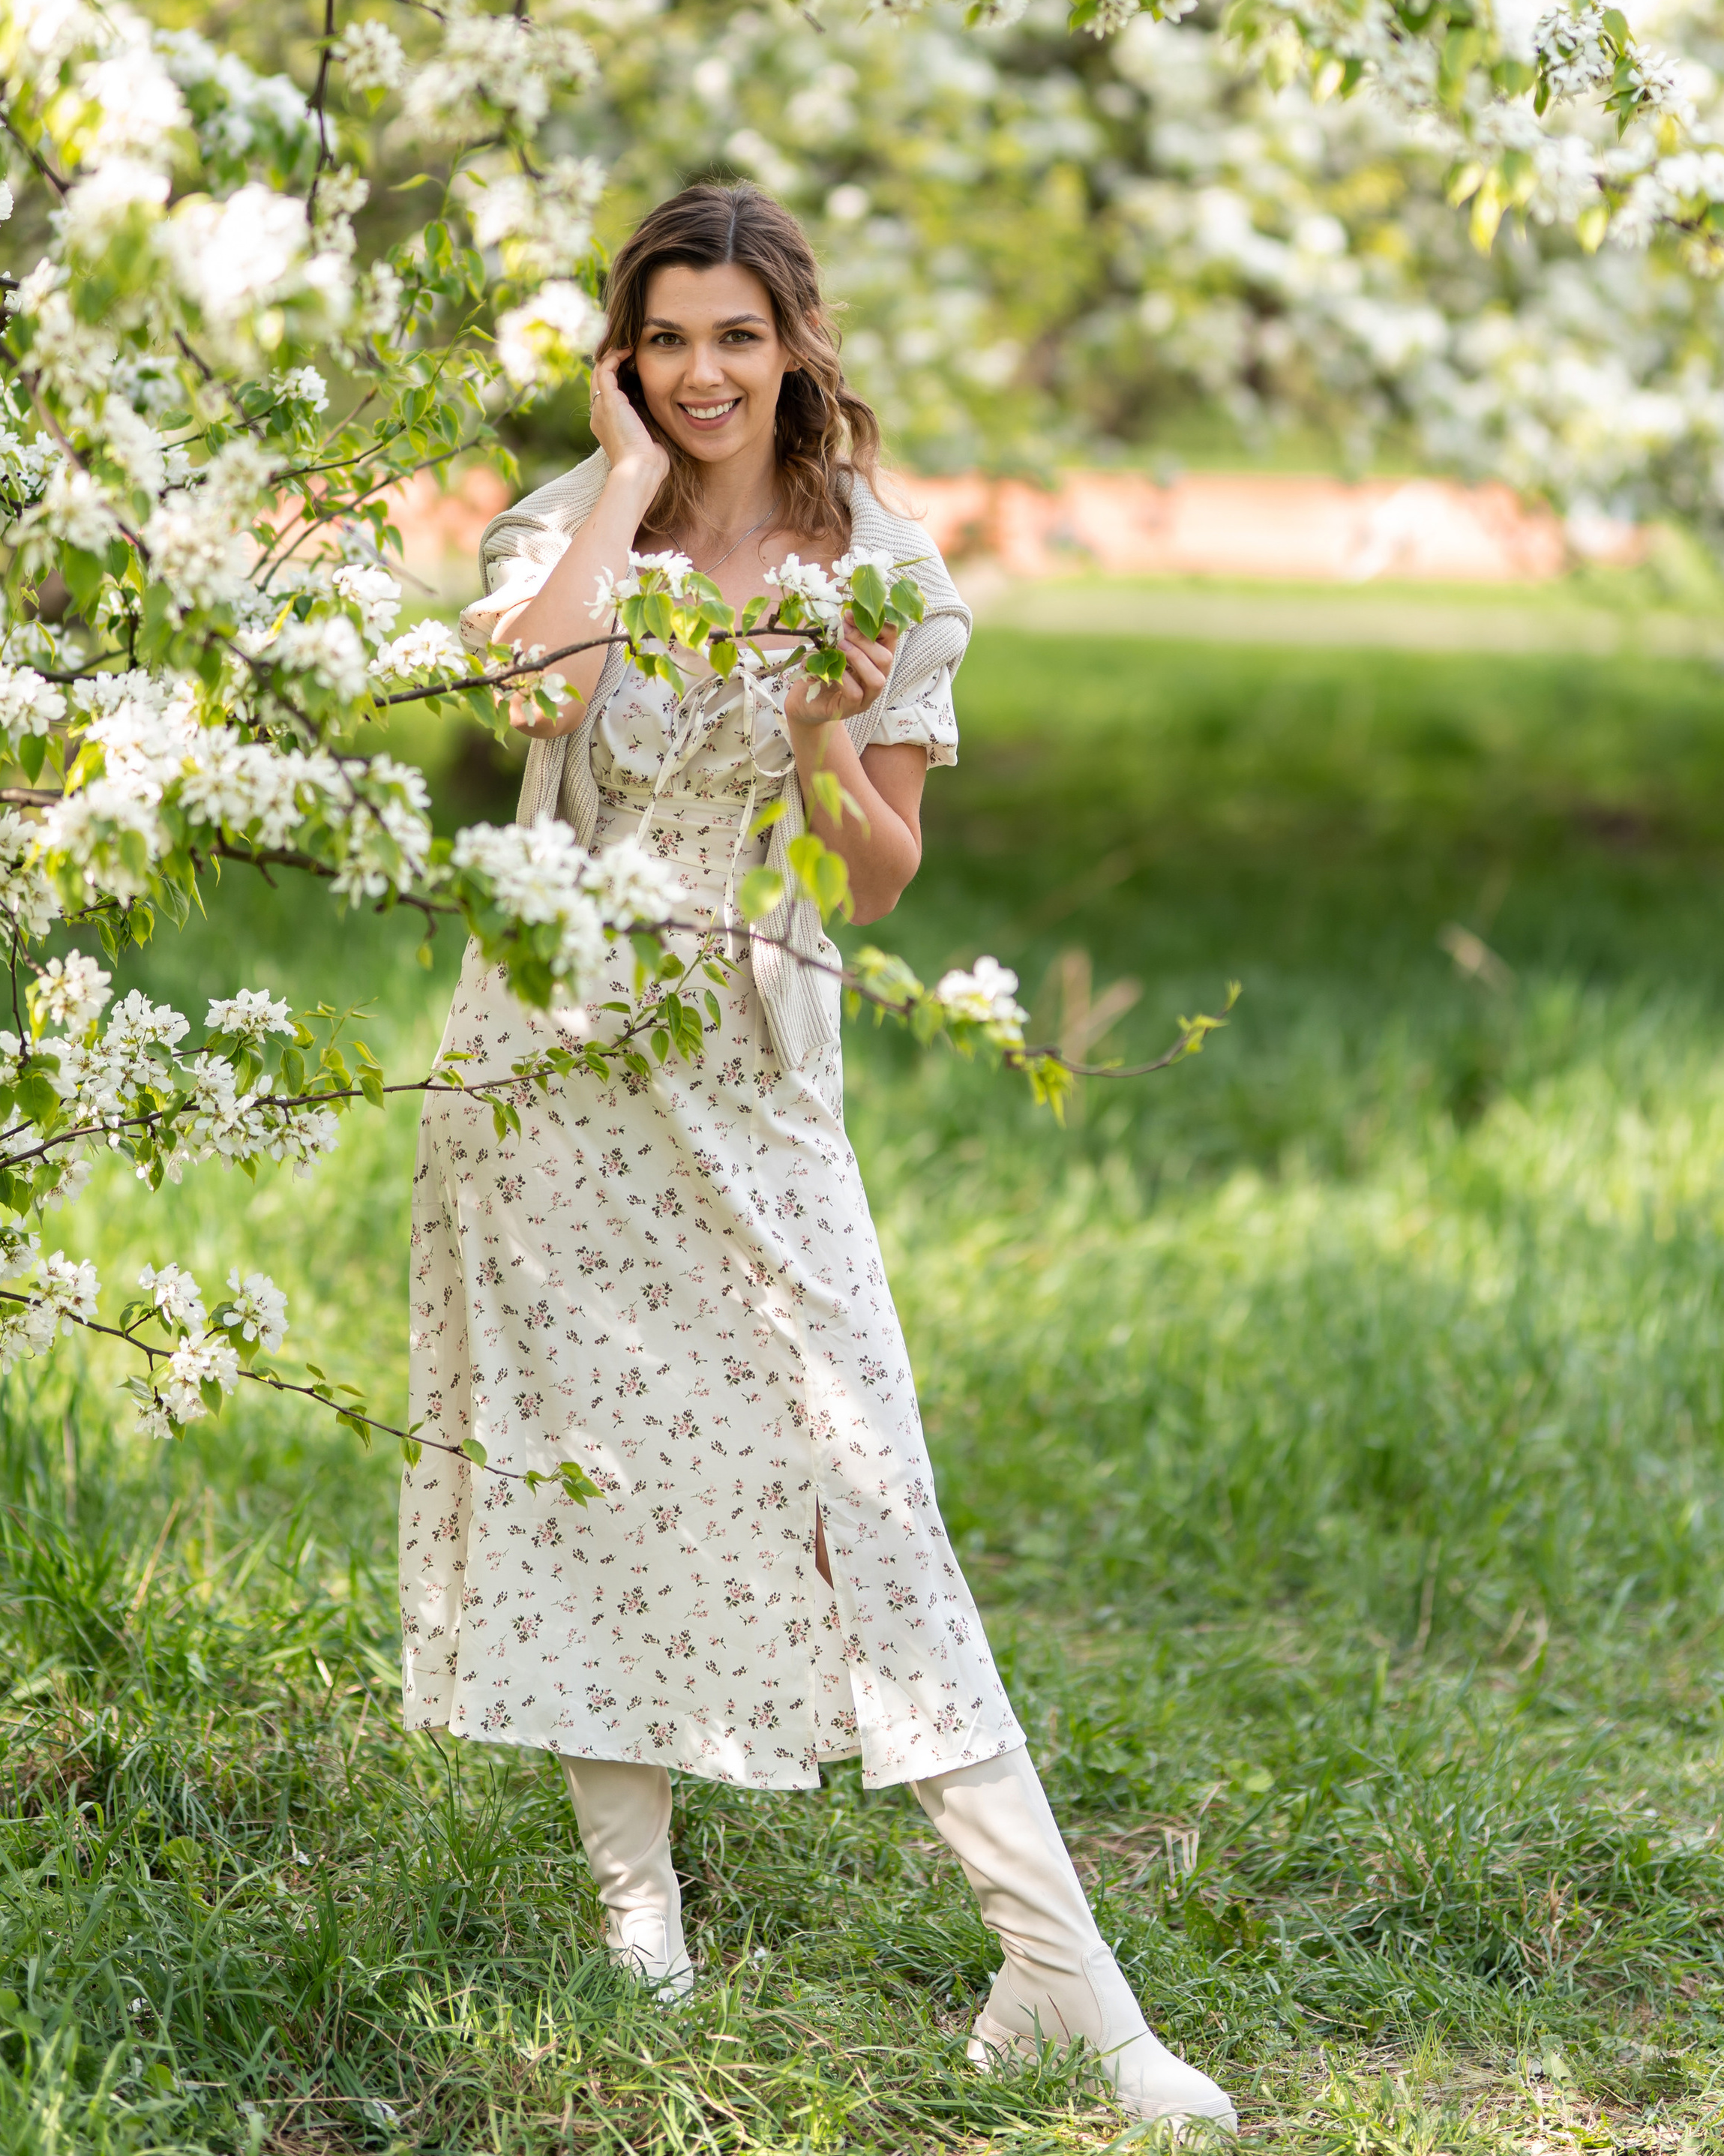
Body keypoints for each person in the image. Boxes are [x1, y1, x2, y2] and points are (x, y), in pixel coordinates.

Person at [398, 182, 1237, 2139]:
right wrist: (620, 483)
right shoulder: (563, 528)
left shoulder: (882, 567)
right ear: (626, 357)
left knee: (866, 1489)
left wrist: (819, 742)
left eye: (735, 338)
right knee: (584, 1463)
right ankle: (639, 1934)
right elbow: (535, 700)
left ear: (793, 349)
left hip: (753, 1067)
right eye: (666, 340)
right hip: (543, 1070)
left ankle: (1063, 1981)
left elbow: (875, 881)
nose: (702, 375)